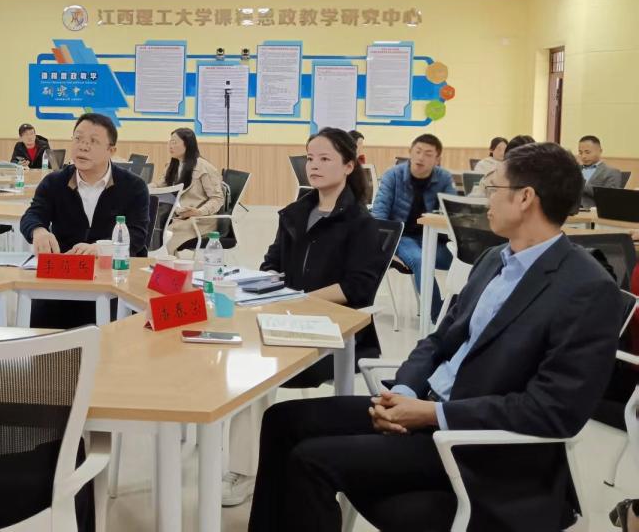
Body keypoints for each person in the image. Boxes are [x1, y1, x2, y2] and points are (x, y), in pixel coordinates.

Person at [248, 141, 624, 532]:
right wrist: (404, 392)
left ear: (525, 198)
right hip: (427, 409)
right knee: (282, 420)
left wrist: (432, 414)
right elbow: (438, 340)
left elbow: (553, 411)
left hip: (478, 445)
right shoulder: (494, 259)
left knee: (311, 460)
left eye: (492, 188)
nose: (484, 200)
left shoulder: (586, 289)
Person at [221, 128, 386, 507]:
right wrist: (268, 283)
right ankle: (243, 464)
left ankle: (244, 472)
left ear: (349, 166)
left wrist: (302, 299)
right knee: (242, 360)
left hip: (334, 333)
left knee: (256, 369)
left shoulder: (360, 222)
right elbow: (272, 262)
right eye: (311, 158)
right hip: (284, 321)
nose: (314, 165)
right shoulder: (296, 213)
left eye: (325, 159)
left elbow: (358, 287)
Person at [19, 113, 149, 328]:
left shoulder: (133, 187)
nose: (83, 147)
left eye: (93, 141)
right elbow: (32, 215)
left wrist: (100, 248)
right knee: (43, 329)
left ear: (111, 150)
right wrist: (38, 230)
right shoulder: (54, 182)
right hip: (65, 277)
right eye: (78, 139)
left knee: (115, 332)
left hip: (113, 279)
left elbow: (137, 236)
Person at [372, 134, 455, 322]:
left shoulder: (443, 178)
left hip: (434, 240)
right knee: (420, 260)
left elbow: (453, 213)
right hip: (402, 238)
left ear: (437, 159)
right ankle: (437, 315)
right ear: (410, 152)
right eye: (417, 151)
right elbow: (379, 215)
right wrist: (385, 249)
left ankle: (461, 309)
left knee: (470, 261)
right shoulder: (393, 176)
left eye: (428, 154)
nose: (421, 157)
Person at [160, 128, 224, 256]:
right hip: (179, 216)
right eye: (170, 142)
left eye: (174, 142)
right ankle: (168, 263)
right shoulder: (173, 165)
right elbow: (161, 185)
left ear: (187, 144)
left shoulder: (204, 167)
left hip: (200, 220)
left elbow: (217, 198)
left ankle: (167, 265)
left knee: (166, 236)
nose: (170, 146)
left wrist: (199, 211)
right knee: (153, 229)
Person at [579, 134, 625, 209]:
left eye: (587, 152)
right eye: (580, 152)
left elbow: (610, 197)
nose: (583, 156)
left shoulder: (612, 172)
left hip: (591, 211)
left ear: (600, 151)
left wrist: (580, 184)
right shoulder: (573, 170)